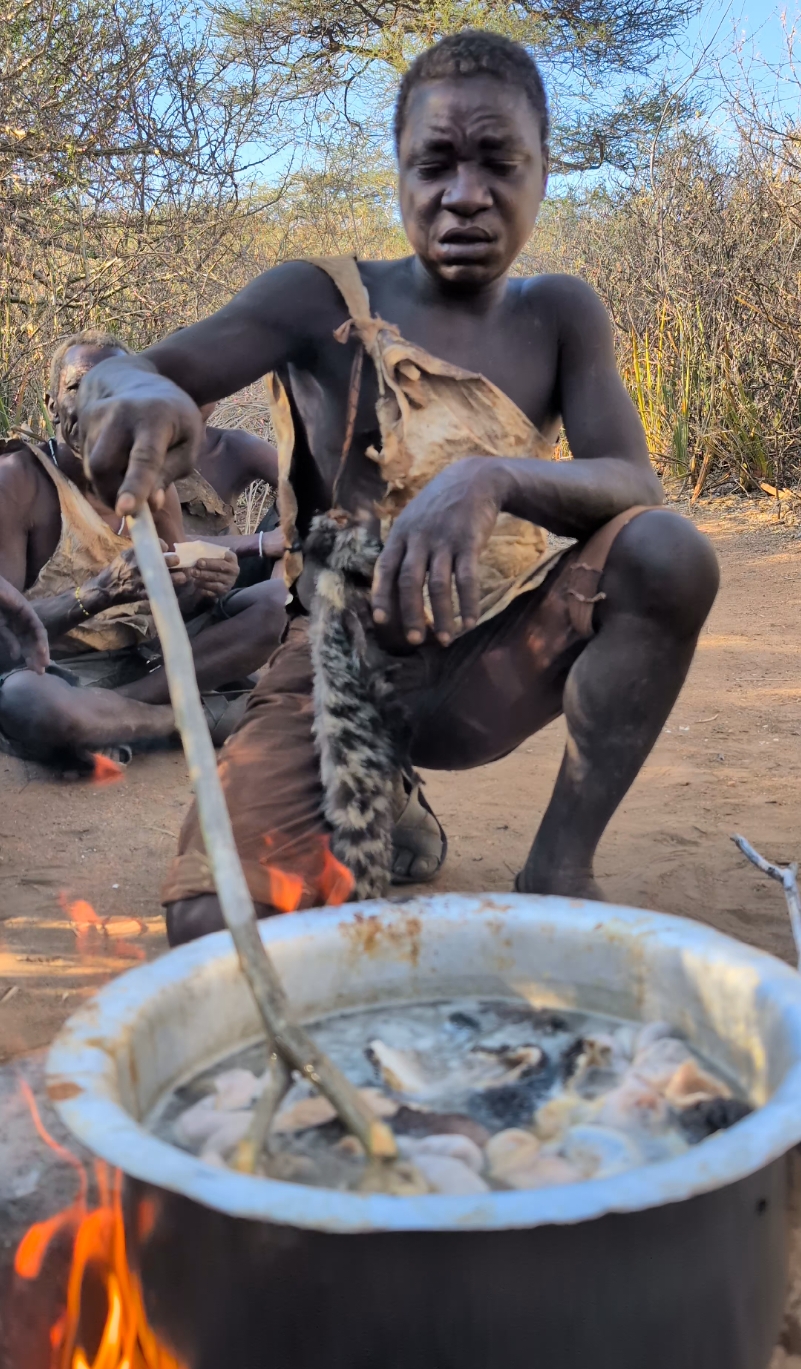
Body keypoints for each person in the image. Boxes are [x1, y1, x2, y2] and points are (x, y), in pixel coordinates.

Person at [73, 31, 719, 940]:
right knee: (212, 927)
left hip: (497, 654)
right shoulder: (319, 298)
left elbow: (632, 481)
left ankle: (558, 868)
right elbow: (134, 372)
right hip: (337, 665)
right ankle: (380, 793)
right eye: (435, 164)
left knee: (666, 550)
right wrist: (132, 391)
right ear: (400, 173)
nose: (465, 194)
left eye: (499, 162)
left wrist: (490, 478)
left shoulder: (560, 313)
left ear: (543, 169)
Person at [0, 331, 289, 768]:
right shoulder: (19, 483)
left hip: (145, 665)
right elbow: (6, 643)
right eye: (81, 387)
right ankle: (182, 720)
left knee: (280, 602)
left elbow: (182, 605)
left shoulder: (154, 483)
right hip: (61, 672)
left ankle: (115, 713)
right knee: (26, 700)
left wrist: (208, 583)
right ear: (50, 404)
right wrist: (98, 594)